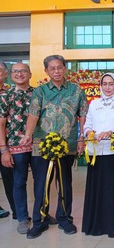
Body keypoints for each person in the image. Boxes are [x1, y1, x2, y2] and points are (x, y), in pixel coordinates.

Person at [20, 55, 88, 239]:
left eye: (60, 67)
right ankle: (39, 221)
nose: (57, 71)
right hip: (42, 146)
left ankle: (65, 218)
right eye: (52, 68)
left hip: (68, 145)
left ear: (65, 68)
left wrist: (82, 138)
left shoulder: (76, 90)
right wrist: (27, 135)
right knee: (41, 184)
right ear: (46, 71)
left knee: (65, 183)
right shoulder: (40, 91)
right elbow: (33, 115)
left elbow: (83, 116)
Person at [82, 72, 114, 237]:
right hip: (96, 152)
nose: (108, 87)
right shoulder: (94, 103)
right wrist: (89, 132)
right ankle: (96, 225)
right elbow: (87, 123)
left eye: (111, 84)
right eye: (105, 84)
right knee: (97, 188)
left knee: (113, 188)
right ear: (101, 86)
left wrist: (110, 132)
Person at [0, 63, 34, 234]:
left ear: (30, 73)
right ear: (10, 75)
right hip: (15, 146)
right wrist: (3, 150)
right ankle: (21, 217)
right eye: (16, 71)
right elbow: (1, 123)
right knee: (19, 182)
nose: (20, 74)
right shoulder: (6, 96)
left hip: (38, 145)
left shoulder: (39, 93)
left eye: (23, 71)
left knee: (42, 182)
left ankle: (39, 214)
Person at [0, 61, 16, 220]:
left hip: (6, 143)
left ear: (6, 74)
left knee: (9, 177)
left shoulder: (10, 94)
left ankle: (17, 211)